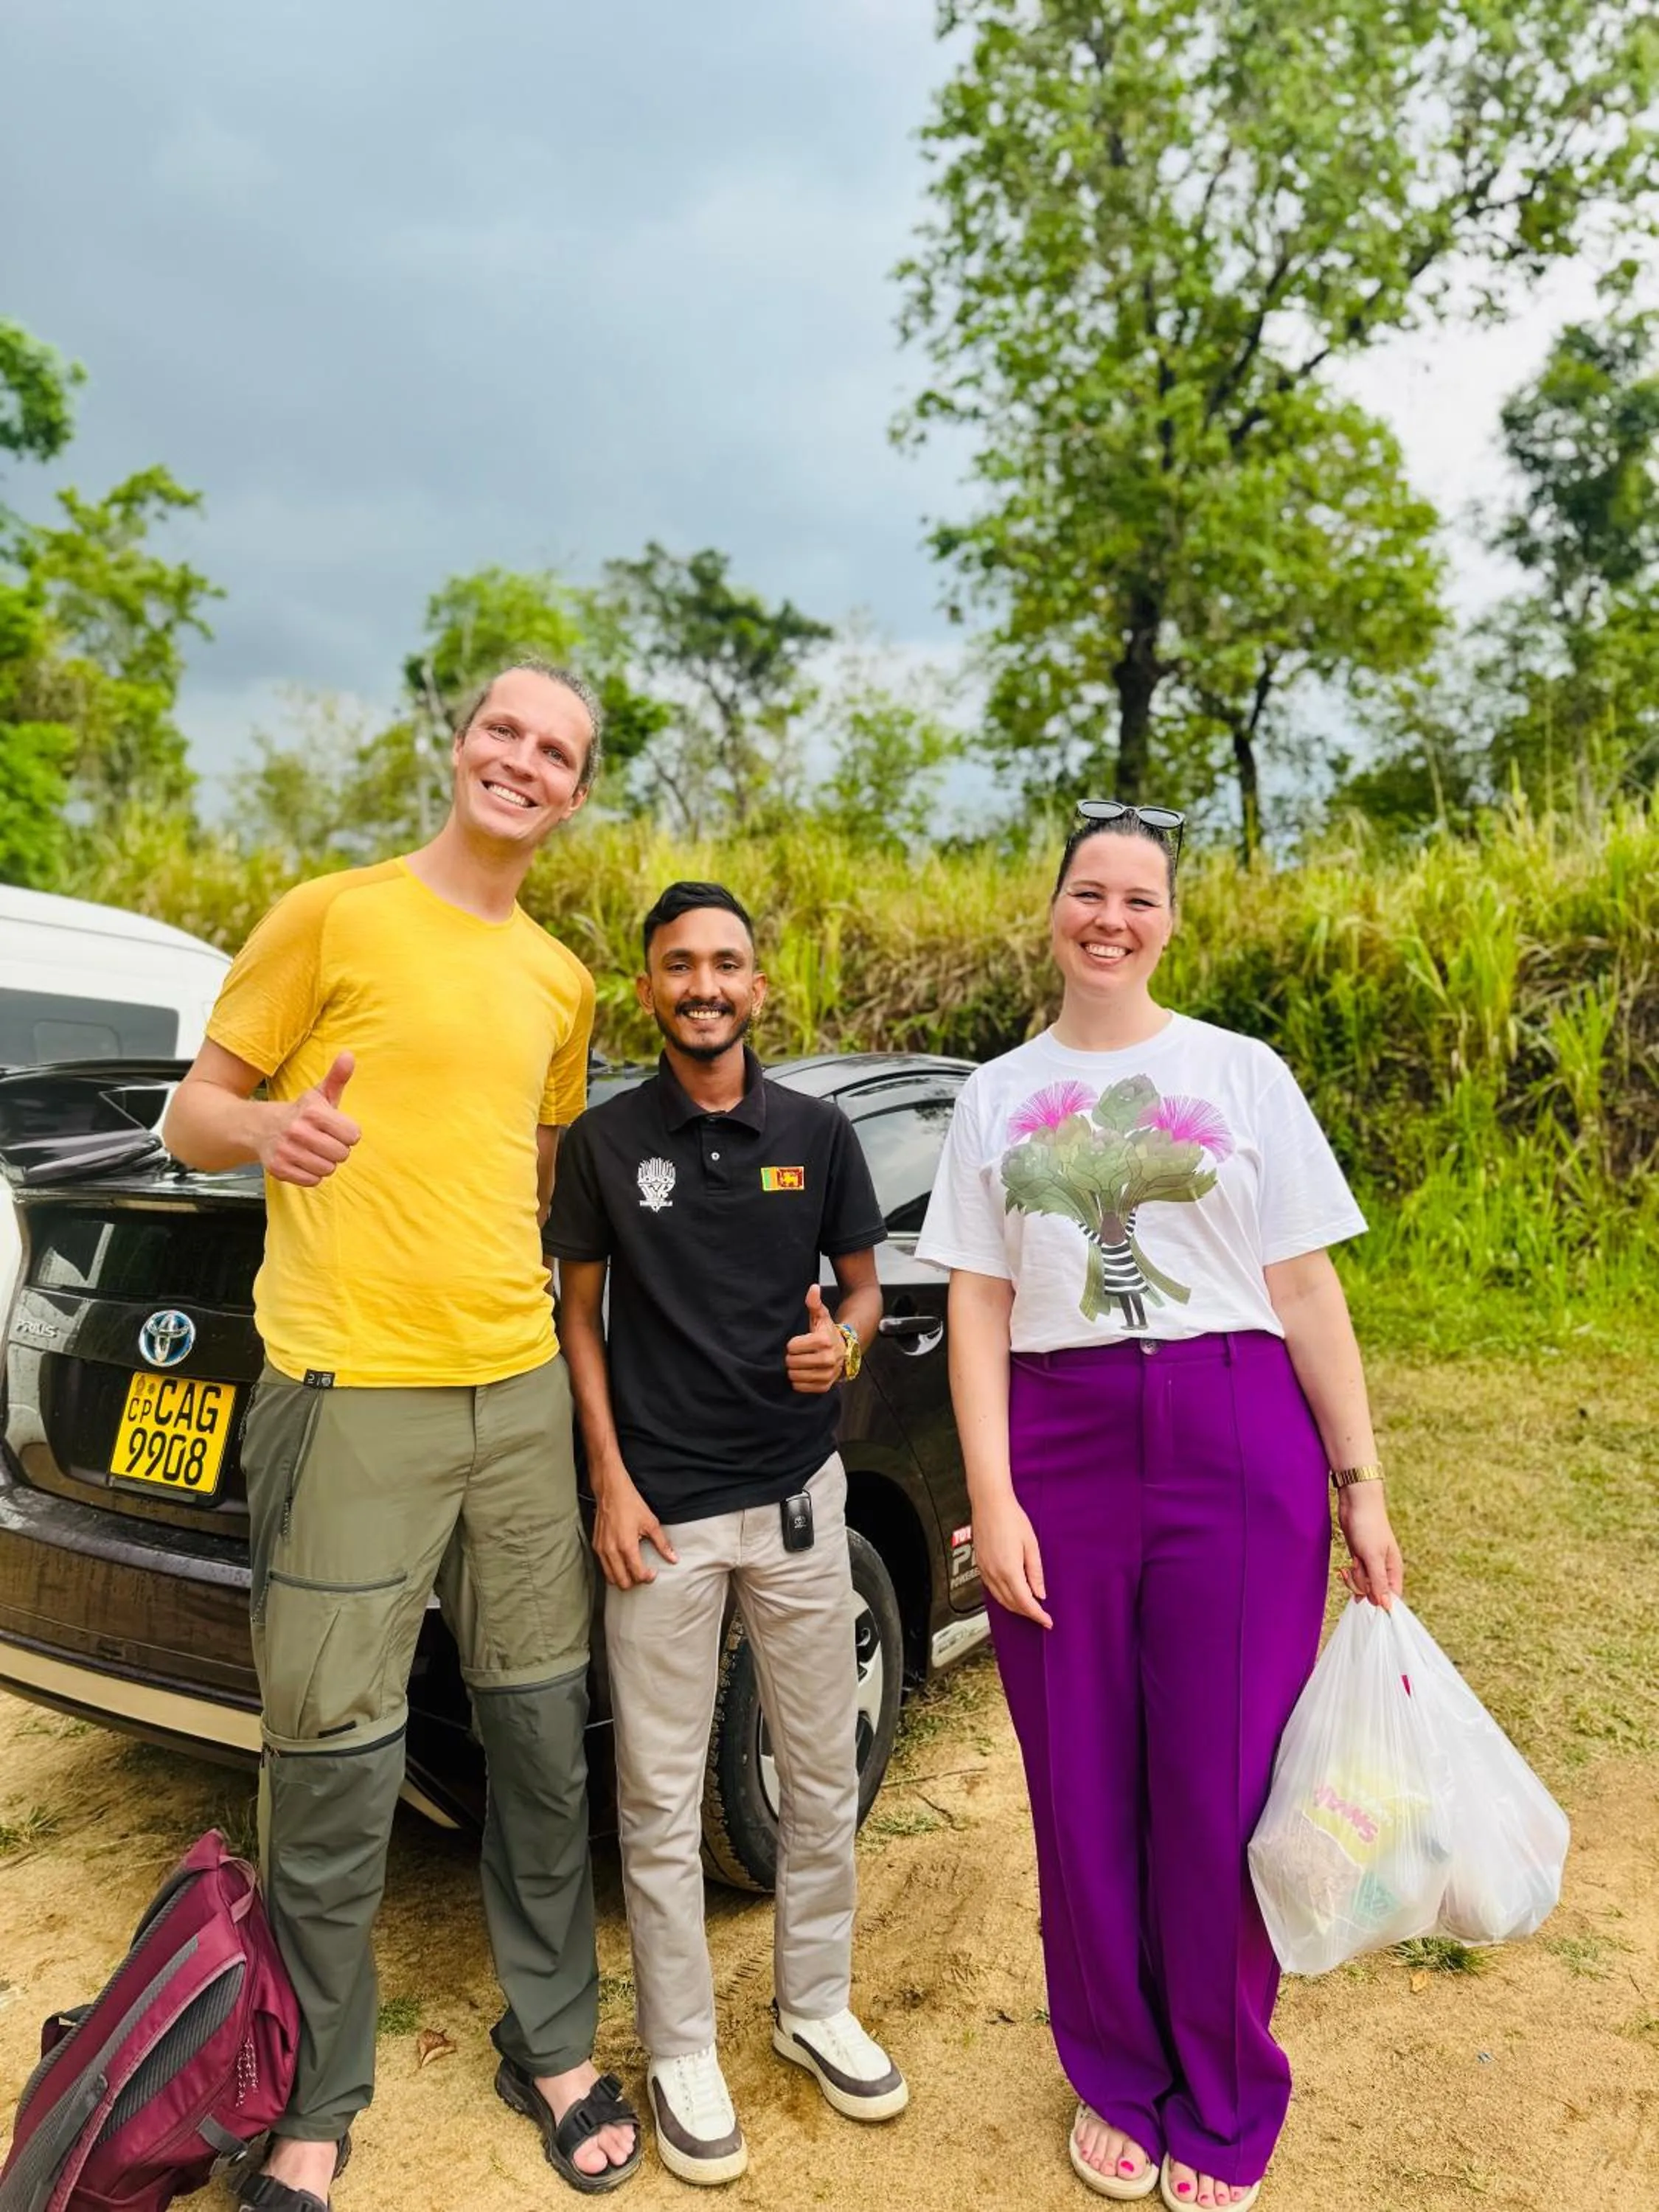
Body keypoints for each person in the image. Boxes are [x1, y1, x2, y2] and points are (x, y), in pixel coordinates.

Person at [161, 661, 641, 2205]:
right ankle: (315, 2093)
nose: (524, 760)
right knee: (333, 1760)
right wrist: (269, 1132)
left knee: (536, 1734)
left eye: (556, 749)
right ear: (460, 745)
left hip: (515, 1400)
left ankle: (553, 2039)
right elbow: (193, 1112)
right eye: (504, 728)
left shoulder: (563, 981)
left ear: (575, 794)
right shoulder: (332, 913)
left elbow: (541, 1175)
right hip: (349, 1395)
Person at [915, 801, 1404, 2212]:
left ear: (1169, 919)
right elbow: (979, 1298)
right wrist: (991, 1499)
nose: (1109, 918)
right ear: (1051, 910)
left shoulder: (1238, 1074)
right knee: (1080, 1785)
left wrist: (1358, 1484)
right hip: (1058, 1446)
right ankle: (1116, 2076)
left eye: (1138, 897)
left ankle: (1227, 2089)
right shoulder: (996, 1095)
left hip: (1235, 1437)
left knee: (1220, 1783)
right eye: (1087, 892)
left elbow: (1306, 1287)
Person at [544, 880, 910, 2187]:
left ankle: (813, 2007)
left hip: (803, 1509)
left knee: (820, 1780)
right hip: (662, 1523)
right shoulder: (603, 1144)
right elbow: (576, 1317)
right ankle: (683, 2047)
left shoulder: (815, 1134)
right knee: (653, 1800)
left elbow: (861, 1289)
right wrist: (608, 1480)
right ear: (646, 989)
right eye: (679, 965)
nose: (705, 984)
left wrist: (843, 1342)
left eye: (728, 964)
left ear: (759, 987)